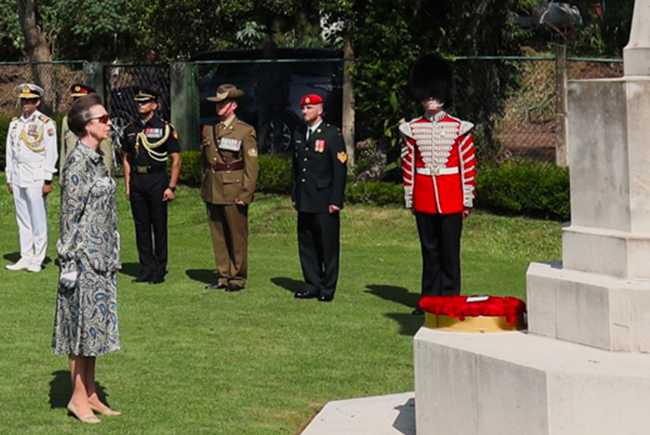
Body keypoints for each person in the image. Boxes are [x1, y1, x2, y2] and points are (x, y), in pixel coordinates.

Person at [52, 94, 121, 423]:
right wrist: (69, 262)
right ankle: (77, 398)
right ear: (86, 125)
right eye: (103, 119)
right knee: (79, 331)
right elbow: (70, 217)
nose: (109, 123)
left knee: (95, 331)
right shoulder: (78, 162)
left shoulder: (97, 158)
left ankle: (91, 394)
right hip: (82, 261)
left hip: (102, 258)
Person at [398, 53, 477, 315]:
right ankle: (429, 299)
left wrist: (467, 199)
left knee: (449, 252)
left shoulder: (459, 128)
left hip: (451, 197)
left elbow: (467, 167)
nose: (430, 99)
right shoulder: (412, 128)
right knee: (429, 252)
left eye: (435, 94)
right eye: (427, 94)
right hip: (424, 197)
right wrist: (410, 199)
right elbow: (408, 167)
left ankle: (450, 299)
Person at [202, 84, 259, 292]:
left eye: (223, 103)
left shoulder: (244, 131)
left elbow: (251, 166)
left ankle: (238, 277)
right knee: (218, 235)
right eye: (217, 103)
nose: (218, 107)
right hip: (213, 188)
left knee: (237, 236)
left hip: (233, 190)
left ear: (233, 105)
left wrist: (246, 193)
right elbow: (205, 161)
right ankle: (223, 275)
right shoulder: (210, 129)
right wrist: (205, 186)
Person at [122, 87, 182, 285]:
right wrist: (128, 185)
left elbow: (176, 159)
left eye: (145, 102)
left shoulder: (165, 129)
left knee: (159, 226)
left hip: (156, 180)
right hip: (138, 181)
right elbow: (127, 158)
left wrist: (171, 187)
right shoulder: (130, 129)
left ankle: (159, 269)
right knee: (141, 227)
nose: (140, 105)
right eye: (138, 103)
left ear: (154, 105)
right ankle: (146, 268)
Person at [292, 94, 347, 302]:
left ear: (320, 110)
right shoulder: (299, 133)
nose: (304, 111)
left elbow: (339, 171)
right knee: (307, 245)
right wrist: (295, 195)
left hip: (324, 200)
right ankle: (311, 284)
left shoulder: (332, 135)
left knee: (327, 246)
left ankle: (327, 288)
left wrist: (336, 200)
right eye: (303, 108)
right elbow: (296, 169)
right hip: (305, 199)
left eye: (309, 108)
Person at [4, 83, 58, 273]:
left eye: (30, 100)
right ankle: (25, 255)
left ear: (38, 102)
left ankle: (38, 258)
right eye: (23, 100)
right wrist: (9, 177)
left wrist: (48, 179)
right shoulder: (15, 124)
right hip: (19, 174)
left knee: (38, 218)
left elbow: (51, 152)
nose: (25, 104)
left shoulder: (45, 123)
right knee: (23, 218)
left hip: (36, 174)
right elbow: (10, 153)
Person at [60, 84, 113, 172]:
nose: (77, 104)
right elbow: (64, 152)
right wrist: (62, 174)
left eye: (81, 101)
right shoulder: (67, 120)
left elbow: (106, 156)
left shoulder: (100, 124)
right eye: (75, 100)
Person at [254, 41, 291, 153]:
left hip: (265, 98)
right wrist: (286, 97)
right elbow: (286, 83)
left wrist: (257, 95)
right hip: (277, 97)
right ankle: (277, 149)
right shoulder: (280, 64)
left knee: (263, 125)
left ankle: (262, 148)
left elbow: (255, 84)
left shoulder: (260, 65)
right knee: (278, 123)